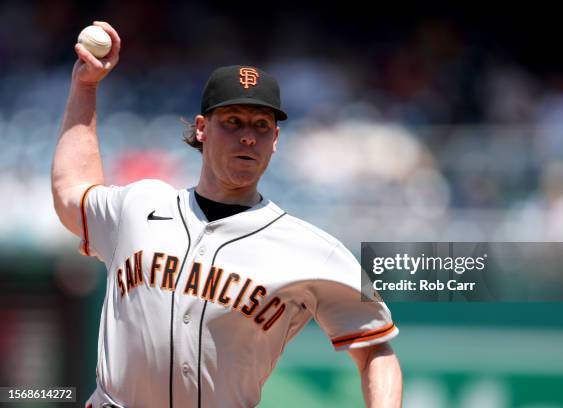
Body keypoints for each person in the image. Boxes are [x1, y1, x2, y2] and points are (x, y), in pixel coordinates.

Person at [52, 21, 402, 408]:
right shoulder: (137, 207)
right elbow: (72, 192)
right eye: (233, 122)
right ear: (202, 128)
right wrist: (85, 87)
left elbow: (375, 350)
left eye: (261, 125)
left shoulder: (313, 250)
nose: (248, 136)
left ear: (275, 141)